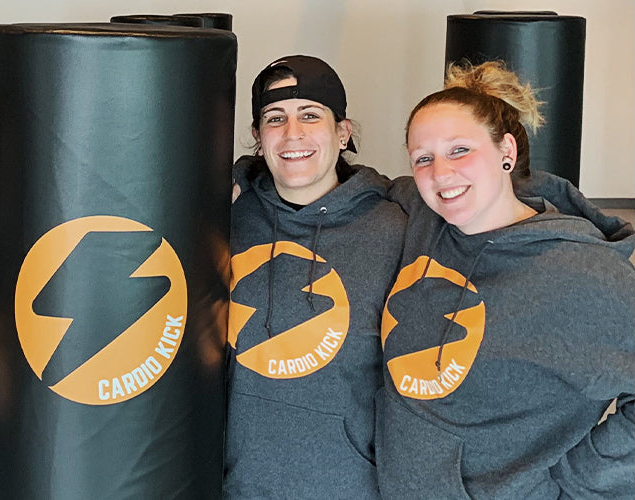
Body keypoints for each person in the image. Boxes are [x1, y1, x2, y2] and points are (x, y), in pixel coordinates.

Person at [377, 61, 634, 498]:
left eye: (460, 150)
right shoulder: (422, 216)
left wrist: (576, 482)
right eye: (424, 158)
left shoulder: (585, 274)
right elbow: (345, 184)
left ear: (506, 152)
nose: (440, 173)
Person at [223, 55, 406, 498]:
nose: (293, 134)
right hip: (237, 483)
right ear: (257, 138)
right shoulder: (228, 216)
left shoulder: (395, 227)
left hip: (348, 485)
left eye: (310, 115)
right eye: (275, 118)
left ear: (343, 133)